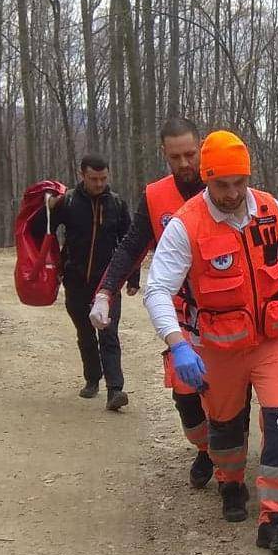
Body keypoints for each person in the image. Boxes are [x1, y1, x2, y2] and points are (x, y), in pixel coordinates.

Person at [143, 130, 278, 554]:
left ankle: (274, 517)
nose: (232, 193)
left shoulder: (271, 211)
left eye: (239, 183)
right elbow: (157, 288)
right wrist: (178, 343)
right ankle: (230, 482)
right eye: (221, 185)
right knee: (226, 429)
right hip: (218, 347)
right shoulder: (187, 225)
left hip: (271, 341)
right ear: (206, 178)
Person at [90, 117, 216, 488]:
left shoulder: (224, 184)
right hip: (179, 313)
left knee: (228, 393)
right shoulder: (156, 195)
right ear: (164, 154)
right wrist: (105, 291)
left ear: (202, 148)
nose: (184, 164)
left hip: (227, 306)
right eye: (175, 156)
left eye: (190, 154)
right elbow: (132, 246)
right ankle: (204, 449)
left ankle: (229, 465)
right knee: (187, 394)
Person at [35, 153, 135, 411]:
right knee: (85, 333)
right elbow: (41, 231)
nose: (99, 183)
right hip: (75, 279)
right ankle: (92, 379)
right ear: (82, 175)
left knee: (108, 332)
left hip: (108, 281)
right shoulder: (67, 202)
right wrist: (48, 207)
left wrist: (133, 277)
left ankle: (115, 390)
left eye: (103, 178)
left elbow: (130, 243)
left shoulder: (117, 204)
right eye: (94, 179)